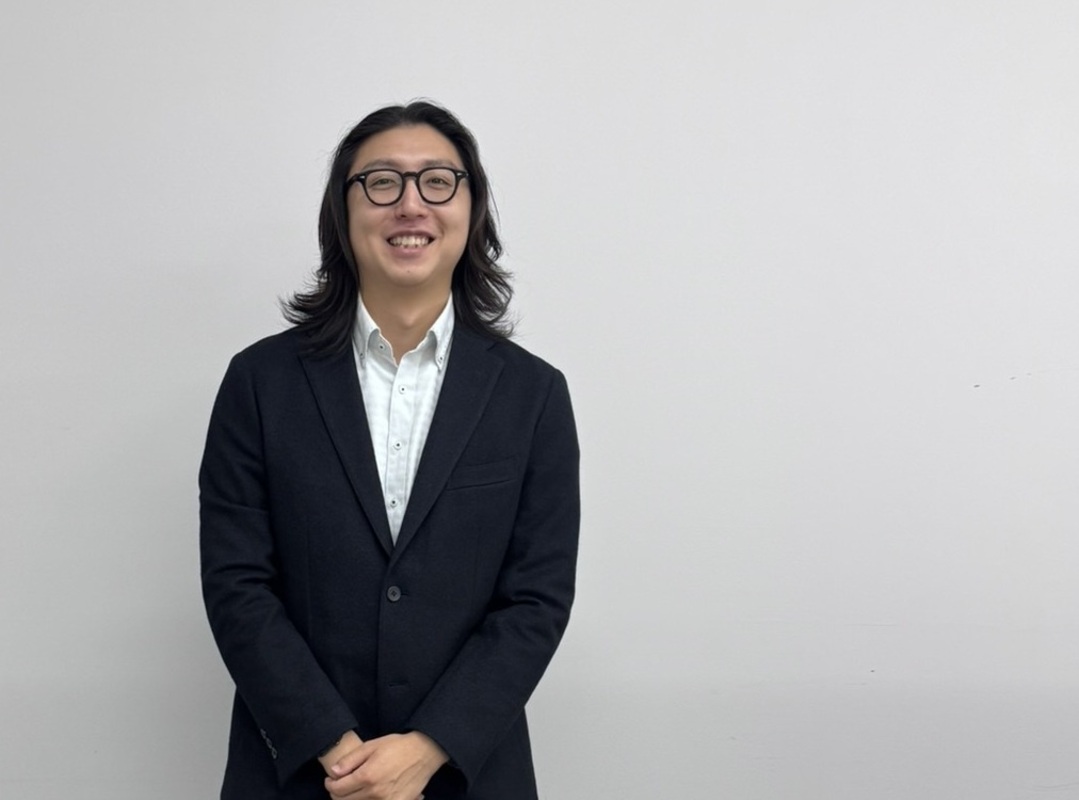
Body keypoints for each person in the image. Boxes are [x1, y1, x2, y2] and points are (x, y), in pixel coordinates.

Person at [199, 100, 580, 800]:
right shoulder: (259, 383)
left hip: (466, 775)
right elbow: (237, 584)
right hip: (300, 775)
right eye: (381, 182)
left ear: (472, 208)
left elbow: (536, 599)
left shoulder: (534, 395)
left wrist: (429, 747)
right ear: (342, 213)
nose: (411, 204)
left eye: (438, 181)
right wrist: (334, 748)